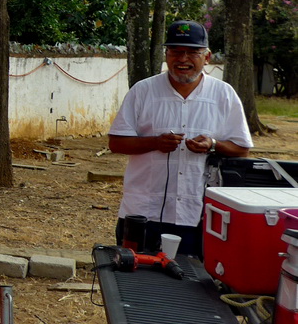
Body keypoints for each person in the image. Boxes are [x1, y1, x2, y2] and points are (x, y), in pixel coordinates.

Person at [107, 20, 252, 258]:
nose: (183, 59)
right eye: (176, 52)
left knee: (192, 283)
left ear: (207, 57)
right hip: (143, 211)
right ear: (167, 55)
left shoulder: (223, 95)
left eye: (193, 52)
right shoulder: (143, 91)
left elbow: (242, 150)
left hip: (196, 213)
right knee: (135, 279)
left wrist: (213, 145)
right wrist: (154, 142)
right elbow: (116, 143)